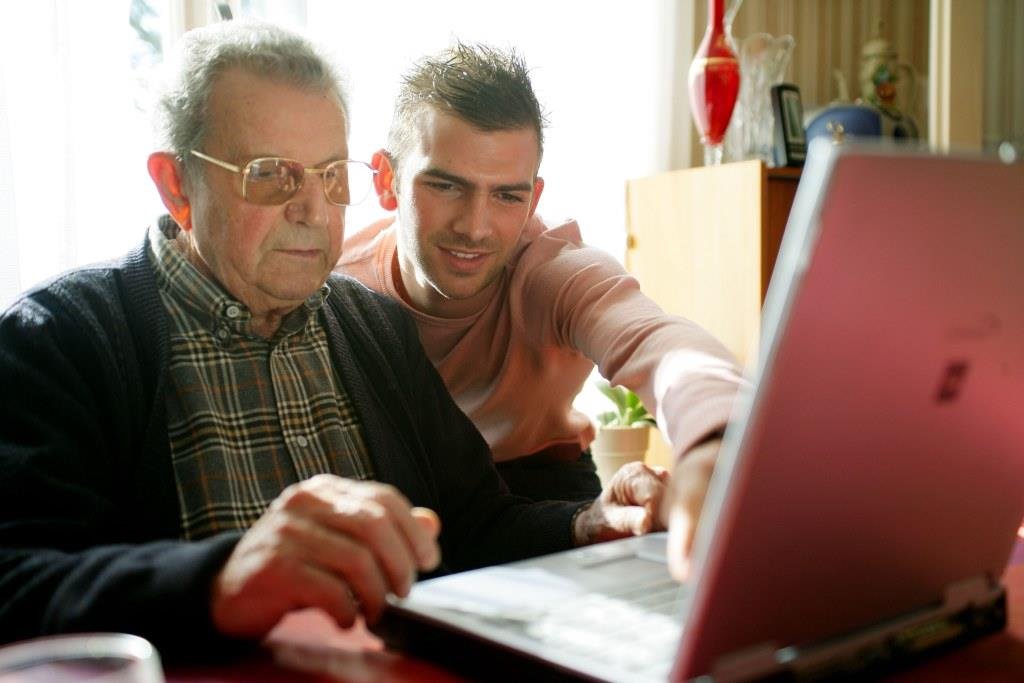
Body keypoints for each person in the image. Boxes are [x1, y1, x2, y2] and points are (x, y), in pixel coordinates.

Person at [0, 21, 667, 660]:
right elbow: (16, 582)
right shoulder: (62, 339)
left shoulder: (372, 325)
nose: (314, 210)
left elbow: (470, 525)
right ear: (176, 183)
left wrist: (587, 523)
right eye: (271, 174)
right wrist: (219, 579)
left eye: (329, 175)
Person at [336, 42, 746, 575]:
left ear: (533, 198)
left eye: (507, 196)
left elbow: (661, 344)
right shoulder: (338, 286)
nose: (476, 227)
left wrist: (711, 444)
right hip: (403, 490)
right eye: (445, 185)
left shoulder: (551, 272)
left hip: (543, 486)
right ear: (386, 181)